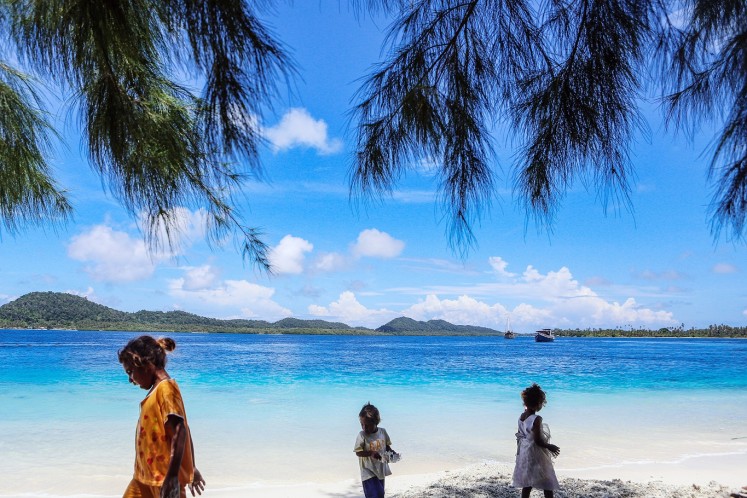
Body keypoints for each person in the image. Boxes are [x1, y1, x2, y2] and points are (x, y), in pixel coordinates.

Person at [118, 335, 205, 498]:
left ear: (145, 364)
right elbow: (185, 429)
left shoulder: (166, 389)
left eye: (131, 372)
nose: (130, 380)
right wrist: (191, 466)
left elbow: (180, 432)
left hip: (163, 480)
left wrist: (172, 477)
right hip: (143, 477)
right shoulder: (156, 391)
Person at [512, 383, 560, 498]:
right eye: (541, 403)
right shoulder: (536, 419)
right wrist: (550, 446)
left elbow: (520, 435)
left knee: (527, 482)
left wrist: (519, 453)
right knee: (547, 479)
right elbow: (538, 441)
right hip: (535, 452)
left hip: (525, 451)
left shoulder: (521, 416)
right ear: (537, 404)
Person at [354, 402, 398, 498]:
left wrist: (392, 454)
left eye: (367, 425)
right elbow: (358, 452)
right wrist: (371, 453)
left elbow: (387, 447)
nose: (364, 428)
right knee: (373, 495)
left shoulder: (383, 432)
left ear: (376, 422)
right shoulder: (362, 435)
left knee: (380, 494)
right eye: (362, 424)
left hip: (380, 469)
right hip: (368, 471)